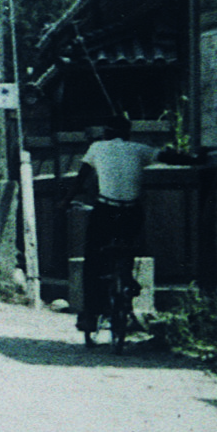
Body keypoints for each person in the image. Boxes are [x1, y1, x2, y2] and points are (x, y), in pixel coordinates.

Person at [72, 115, 188, 345]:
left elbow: (80, 178)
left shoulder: (97, 148)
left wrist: (66, 201)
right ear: (128, 134)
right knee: (129, 248)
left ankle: (90, 315)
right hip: (131, 213)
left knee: (93, 260)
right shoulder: (139, 149)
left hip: (105, 211)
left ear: (106, 133)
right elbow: (168, 156)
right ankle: (126, 279)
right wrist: (195, 158)